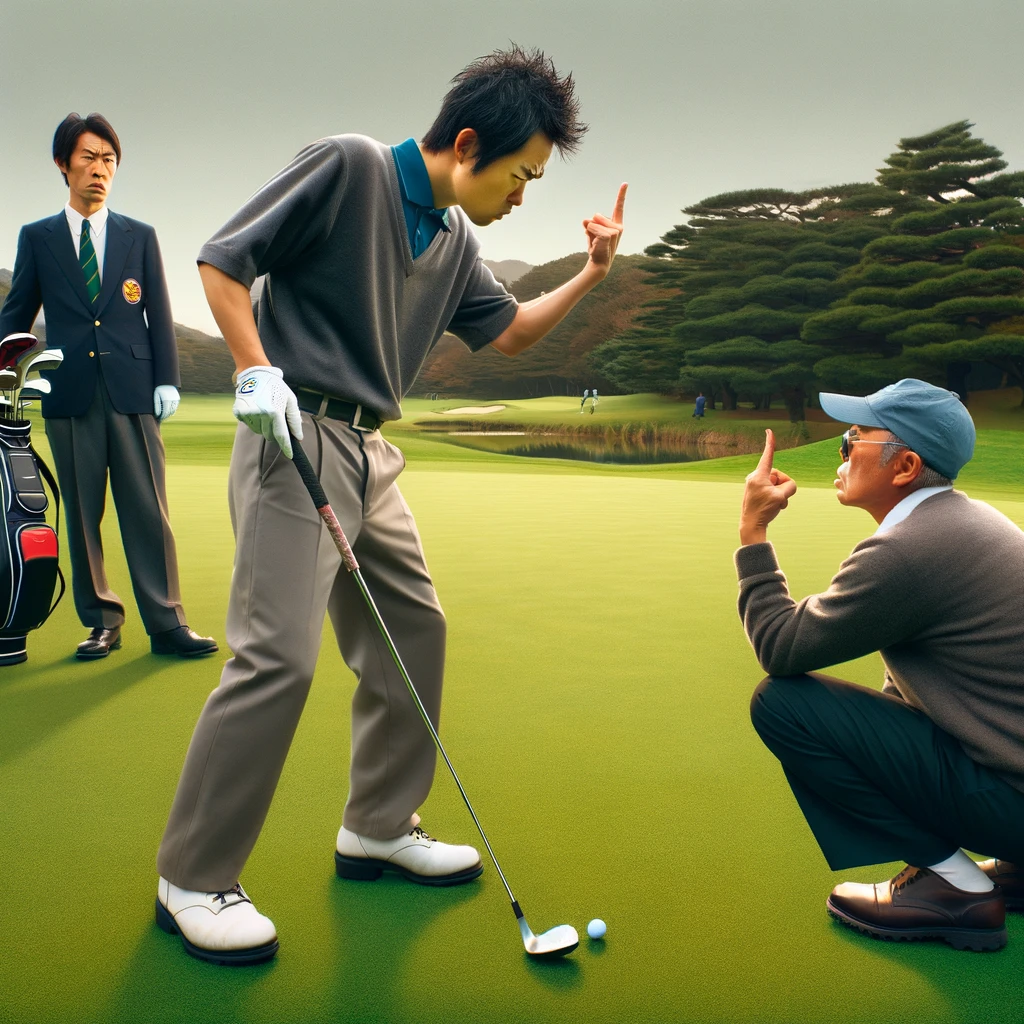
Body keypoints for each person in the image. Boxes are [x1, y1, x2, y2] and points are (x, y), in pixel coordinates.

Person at [155, 45, 627, 965]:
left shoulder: (456, 243)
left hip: (370, 452)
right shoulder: (350, 165)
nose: (523, 194)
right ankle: (194, 875)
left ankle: (377, 823)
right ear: (465, 143)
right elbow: (222, 261)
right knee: (276, 662)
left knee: (417, 628)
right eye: (522, 174)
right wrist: (255, 369)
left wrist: (591, 277)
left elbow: (516, 335)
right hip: (292, 438)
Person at [737, 378, 1024, 952]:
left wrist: (753, 531)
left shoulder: (910, 549)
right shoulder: (969, 522)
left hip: (1013, 800)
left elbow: (780, 646)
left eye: (852, 439)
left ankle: (956, 887)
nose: (839, 453)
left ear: (906, 466)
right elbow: (917, 689)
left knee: (782, 703)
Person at [0, 113, 217, 661]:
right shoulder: (38, 238)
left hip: (134, 391)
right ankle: (102, 620)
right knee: (81, 515)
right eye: (89, 157)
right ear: (63, 164)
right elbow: (16, 316)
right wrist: (9, 371)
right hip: (68, 395)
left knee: (148, 510)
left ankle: (166, 623)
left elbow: (159, 313)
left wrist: (167, 379)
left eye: (109, 160)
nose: (100, 170)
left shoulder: (138, 236)